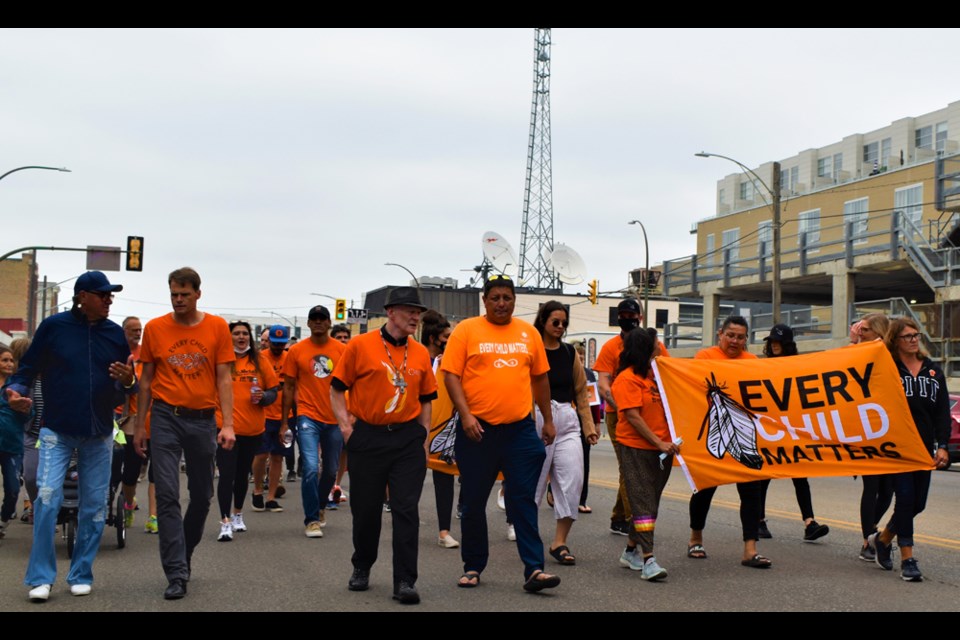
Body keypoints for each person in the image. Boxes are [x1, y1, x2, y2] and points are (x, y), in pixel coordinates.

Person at [8, 271, 135, 601]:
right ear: (82, 296)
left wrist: (128, 380)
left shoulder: (114, 334)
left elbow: (124, 389)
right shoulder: (54, 328)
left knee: (94, 507)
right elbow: (26, 370)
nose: (109, 299)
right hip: (56, 430)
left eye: (111, 295)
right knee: (47, 500)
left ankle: (81, 572)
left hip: (100, 433)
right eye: (102, 294)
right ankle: (40, 578)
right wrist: (16, 392)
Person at [441, 274, 560, 593]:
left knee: (523, 499)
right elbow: (451, 375)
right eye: (495, 298)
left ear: (514, 300)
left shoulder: (528, 333)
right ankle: (473, 566)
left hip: (519, 431)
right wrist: (465, 416)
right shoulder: (467, 330)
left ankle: (534, 569)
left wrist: (547, 420)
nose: (502, 303)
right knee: (473, 501)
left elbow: (540, 379)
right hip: (477, 430)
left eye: (507, 297)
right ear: (485, 300)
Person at [134, 267, 235, 600]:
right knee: (166, 493)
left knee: (203, 494)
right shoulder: (156, 328)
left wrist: (228, 424)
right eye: (174, 294)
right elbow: (146, 381)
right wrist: (140, 426)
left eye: (184, 294)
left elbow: (223, 379)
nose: (178, 300)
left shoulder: (217, 327)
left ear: (197, 294)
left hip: (203, 420)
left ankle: (185, 552)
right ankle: (176, 572)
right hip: (165, 417)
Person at [331, 287, 437, 605]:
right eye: (410, 311)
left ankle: (405, 580)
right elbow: (337, 389)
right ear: (391, 312)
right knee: (366, 511)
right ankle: (362, 565)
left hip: (407, 439)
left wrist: (424, 436)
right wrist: (346, 428)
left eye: (418, 312)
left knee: (405, 509)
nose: (416, 317)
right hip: (368, 436)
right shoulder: (360, 346)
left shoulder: (419, 352)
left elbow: (427, 399)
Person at [869, 317, 950, 581]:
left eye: (916, 335)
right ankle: (908, 559)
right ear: (896, 340)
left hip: (923, 449)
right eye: (907, 336)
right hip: (897, 448)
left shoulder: (933, 371)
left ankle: (882, 539)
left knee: (917, 503)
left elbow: (941, 413)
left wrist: (943, 446)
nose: (914, 339)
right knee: (904, 499)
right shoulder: (887, 369)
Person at [687, 315, 770, 568]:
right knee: (704, 489)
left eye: (741, 337)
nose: (735, 341)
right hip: (714, 432)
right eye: (731, 335)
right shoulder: (704, 357)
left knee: (752, 493)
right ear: (720, 334)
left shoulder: (753, 362)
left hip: (744, 433)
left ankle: (750, 549)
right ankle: (695, 539)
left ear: (747, 339)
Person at [531, 301, 597, 566]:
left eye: (564, 323)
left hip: (567, 421)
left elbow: (581, 391)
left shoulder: (570, 353)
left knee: (573, 480)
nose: (560, 327)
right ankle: (528, 538)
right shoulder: (531, 350)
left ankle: (560, 542)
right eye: (555, 322)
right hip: (536, 417)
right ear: (543, 321)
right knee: (533, 484)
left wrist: (589, 427)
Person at [611, 328, 679, 580]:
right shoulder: (627, 379)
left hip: (661, 450)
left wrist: (668, 442)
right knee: (644, 501)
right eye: (656, 343)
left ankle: (630, 551)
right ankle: (649, 559)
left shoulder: (655, 377)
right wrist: (659, 442)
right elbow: (633, 417)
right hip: (636, 448)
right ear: (645, 348)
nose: (660, 346)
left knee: (649, 502)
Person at [756, 324, 829, 542]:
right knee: (764, 477)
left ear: (788, 345)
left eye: (779, 342)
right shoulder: (760, 366)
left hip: (792, 428)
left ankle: (810, 523)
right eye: (772, 342)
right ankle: (758, 521)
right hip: (769, 428)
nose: (775, 345)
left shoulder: (798, 366)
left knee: (800, 475)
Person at [282, 305, 345, 538]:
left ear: (329, 323)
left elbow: (351, 384)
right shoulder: (297, 351)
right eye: (314, 319)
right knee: (309, 467)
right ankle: (311, 520)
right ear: (308, 324)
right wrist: (283, 422)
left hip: (335, 417)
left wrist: (351, 416)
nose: (318, 322)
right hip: (307, 416)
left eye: (322, 319)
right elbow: (288, 387)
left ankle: (319, 507)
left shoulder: (341, 350)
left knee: (330, 470)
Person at [215, 321, 278, 541]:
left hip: (253, 429)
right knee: (226, 475)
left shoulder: (260, 361)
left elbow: (273, 391)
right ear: (228, 336)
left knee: (242, 475)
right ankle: (224, 522)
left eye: (244, 333)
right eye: (236, 333)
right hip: (225, 428)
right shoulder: (221, 360)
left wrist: (264, 397)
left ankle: (238, 514)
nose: (241, 337)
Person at [593, 298, 643, 536]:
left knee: (634, 466)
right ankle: (635, 520)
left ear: (640, 318)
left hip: (646, 413)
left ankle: (619, 517)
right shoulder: (610, 347)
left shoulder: (650, 344)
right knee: (628, 466)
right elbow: (603, 384)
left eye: (631, 315)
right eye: (622, 315)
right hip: (618, 414)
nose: (627, 319)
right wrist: (621, 405)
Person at [855, 312, 894, 561]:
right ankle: (867, 539)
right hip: (866, 430)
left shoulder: (891, 357)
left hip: (889, 430)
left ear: (880, 333)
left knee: (888, 491)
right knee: (871, 487)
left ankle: (871, 534)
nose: (861, 332)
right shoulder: (857, 355)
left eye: (866, 329)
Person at [421, 309, 459, 549]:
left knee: (444, 477)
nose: (449, 341)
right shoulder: (416, 357)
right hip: (412, 428)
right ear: (434, 338)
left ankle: (444, 531)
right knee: (409, 479)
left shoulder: (450, 362)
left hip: (442, 429)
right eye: (446, 337)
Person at [252, 324, 294, 512]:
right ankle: (258, 491)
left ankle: (271, 497)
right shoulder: (260, 359)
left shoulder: (290, 358)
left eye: (281, 343)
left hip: (286, 416)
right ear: (268, 342)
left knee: (278, 457)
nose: (277, 347)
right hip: (264, 415)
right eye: (274, 343)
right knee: (261, 455)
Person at [114, 316, 144, 530]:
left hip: (135, 417)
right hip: (114, 415)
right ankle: (109, 501)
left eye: (139, 329)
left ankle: (128, 502)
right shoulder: (115, 351)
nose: (137, 333)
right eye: (133, 329)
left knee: (132, 467)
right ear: (123, 331)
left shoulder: (145, 354)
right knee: (114, 460)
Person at [0, 345, 31, 536]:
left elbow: (30, 414)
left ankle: (3, 520)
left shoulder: (18, 386)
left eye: (12, 360)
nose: (9, 364)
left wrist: (24, 408)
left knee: (12, 488)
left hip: (12, 444)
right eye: (5, 360)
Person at [573, 342, 600, 514]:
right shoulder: (565, 372)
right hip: (568, 421)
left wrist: (596, 424)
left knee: (584, 462)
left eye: (583, 356)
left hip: (585, 422)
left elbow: (595, 403)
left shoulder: (589, 375)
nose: (581, 359)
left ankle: (581, 499)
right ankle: (553, 490)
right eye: (578, 356)